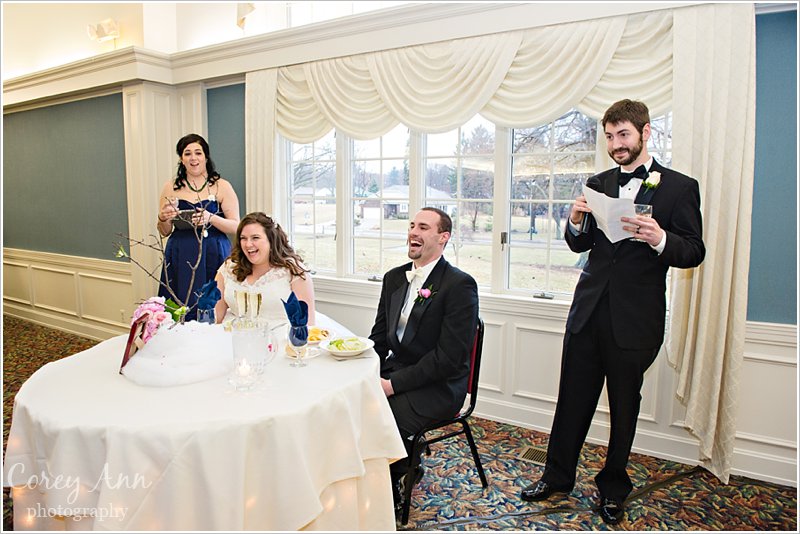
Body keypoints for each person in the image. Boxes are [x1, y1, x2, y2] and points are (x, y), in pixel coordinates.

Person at [519, 99, 705, 524]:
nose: (616, 144)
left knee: (624, 407)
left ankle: (614, 487)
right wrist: (574, 221)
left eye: (623, 135)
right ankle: (556, 477)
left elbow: (694, 251)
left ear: (645, 133)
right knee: (571, 400)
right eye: (609, 136)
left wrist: (660, 238)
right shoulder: (598, 182)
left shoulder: (680, 187)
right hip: (587, 313)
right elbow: (580, 245)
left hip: (635, 320)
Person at [368, 207, 479, 512]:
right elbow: (378, 339)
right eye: (412, 225)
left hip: (440, 385)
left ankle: (393, 483)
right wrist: (362, 370)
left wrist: (391, 385)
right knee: (351, 399)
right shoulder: (394, 278)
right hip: (398, 370)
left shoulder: (460, 285)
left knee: (381, 415)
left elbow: (448, 359)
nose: (413, 232)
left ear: (443, 238)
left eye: (424, 227)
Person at [157, 133, 240, 321]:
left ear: (206, 157)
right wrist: (163, 218)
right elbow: (164, 231)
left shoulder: (222, 186)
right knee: (180, 307)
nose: (193, 158)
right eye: (187, 153)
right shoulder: (170, 187)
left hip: (213, 253)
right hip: (180, 253)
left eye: (198, 153)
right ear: (181, 159)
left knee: (214, 305)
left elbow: (236, 226)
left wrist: (211, 218)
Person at [213, 212, 316, 329]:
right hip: (231, 335)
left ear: (271, 240)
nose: (248, 244)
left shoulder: (294, 271)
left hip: (280, 338)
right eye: (243, 238)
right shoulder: (229, 267)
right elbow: (215, 317)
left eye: (255, 238)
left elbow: (306, 326)